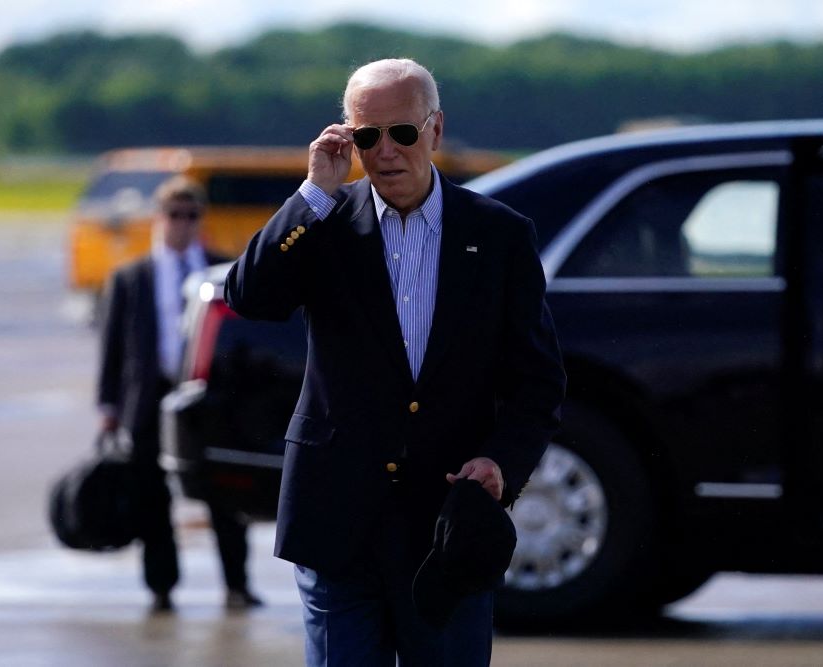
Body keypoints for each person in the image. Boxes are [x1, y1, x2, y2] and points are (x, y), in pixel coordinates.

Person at [225, 58, 566, 665]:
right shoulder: (323, 221)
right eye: (366, 136)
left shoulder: (499, 235)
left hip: (446, 529)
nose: (385, 151)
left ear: (434, 129)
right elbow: (251, 296)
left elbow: (537, 380)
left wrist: (501, 463)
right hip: (335, 520)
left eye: (402, 133)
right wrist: (312, 193)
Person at [97, 175, 260, 613]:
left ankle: (237, 585)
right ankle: (161, 587)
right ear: (159, 218)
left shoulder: (222, 269)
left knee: (224, 495)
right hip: (149, 397)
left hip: (207, 396)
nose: (183, 224)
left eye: (191, 216)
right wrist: (107, 408)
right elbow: (113, 347)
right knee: (151, 497)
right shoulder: (133, 277)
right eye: (174, 215)